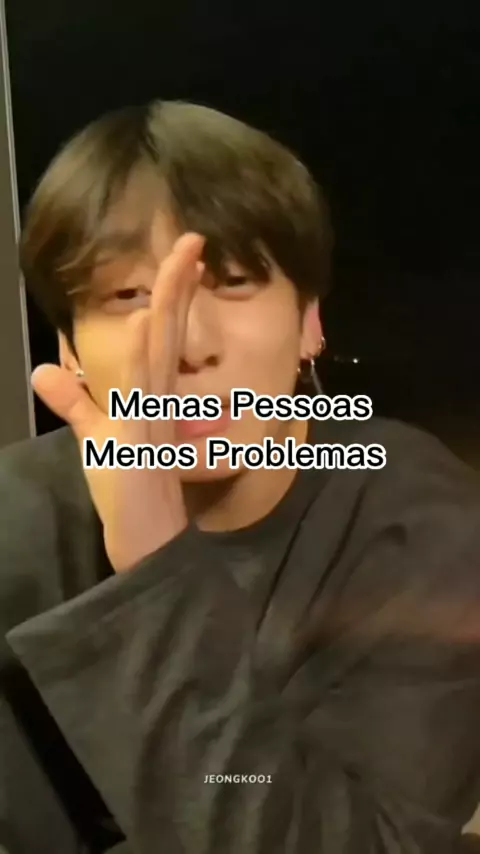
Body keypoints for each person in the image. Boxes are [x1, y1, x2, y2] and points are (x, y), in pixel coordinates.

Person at [1, 100, 480, 854]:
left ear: (309, 322)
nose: (187, 343)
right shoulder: (14, 517)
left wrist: (154, 574)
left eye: (230, 281)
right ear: (68, 347)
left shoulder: (417, 524)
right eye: (128, 296)